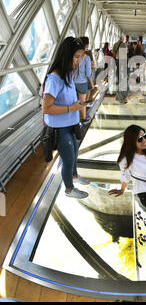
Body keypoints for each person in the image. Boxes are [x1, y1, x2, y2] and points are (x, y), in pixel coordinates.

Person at [42, 37, 90, 199]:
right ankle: (69, 189)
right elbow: (46, 108)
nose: (78, 61)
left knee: (75, 153)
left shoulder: (68, 74)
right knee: (68, 159)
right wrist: (72, 108)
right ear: (66, 57)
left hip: (70, 124)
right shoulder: (55, 79)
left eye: (80, 57)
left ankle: (74, 176)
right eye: (76, 57)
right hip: (60, 128)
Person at [73, 36, 94, 123]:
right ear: (86, 45)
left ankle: (73, 120)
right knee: (82, 102)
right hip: (82, 83)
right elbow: (88, 73)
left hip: (72, 82)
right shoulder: (86, 57)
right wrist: (92, 83)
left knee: (73, 102)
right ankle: (84, 118)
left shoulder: (73, 55)